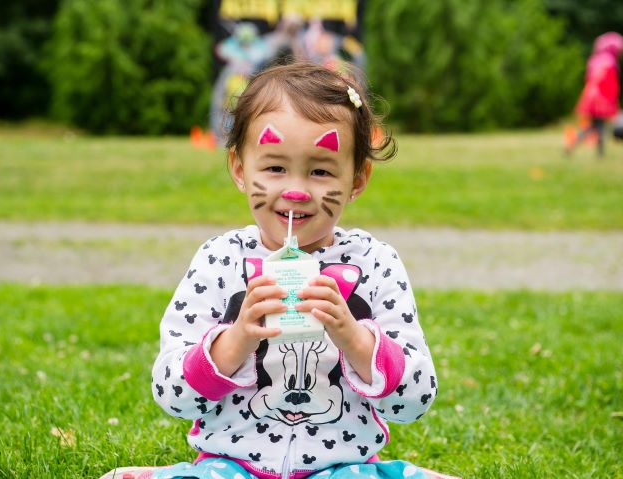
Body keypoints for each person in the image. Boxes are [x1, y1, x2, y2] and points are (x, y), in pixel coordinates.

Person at [101, 63, 448, 479]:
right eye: (274, 168)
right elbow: (172, 394)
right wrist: (236, 339)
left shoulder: (375, 263)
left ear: (358, 178)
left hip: (342, 468)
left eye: (320, 170)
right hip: (230, 466)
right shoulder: (220, 260)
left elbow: (415, 400)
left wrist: (354, 338)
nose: (296, 190)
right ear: (239, 169)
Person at [565, 32, 623, 157]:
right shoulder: (609, 62)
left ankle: (596, 151)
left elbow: (589, 79)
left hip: (591, 98)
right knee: (598, 126)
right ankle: (594, 151)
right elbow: (610, 84)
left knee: (596, 126)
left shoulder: (595, 60)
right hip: (601, 100)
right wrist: (612, 102)